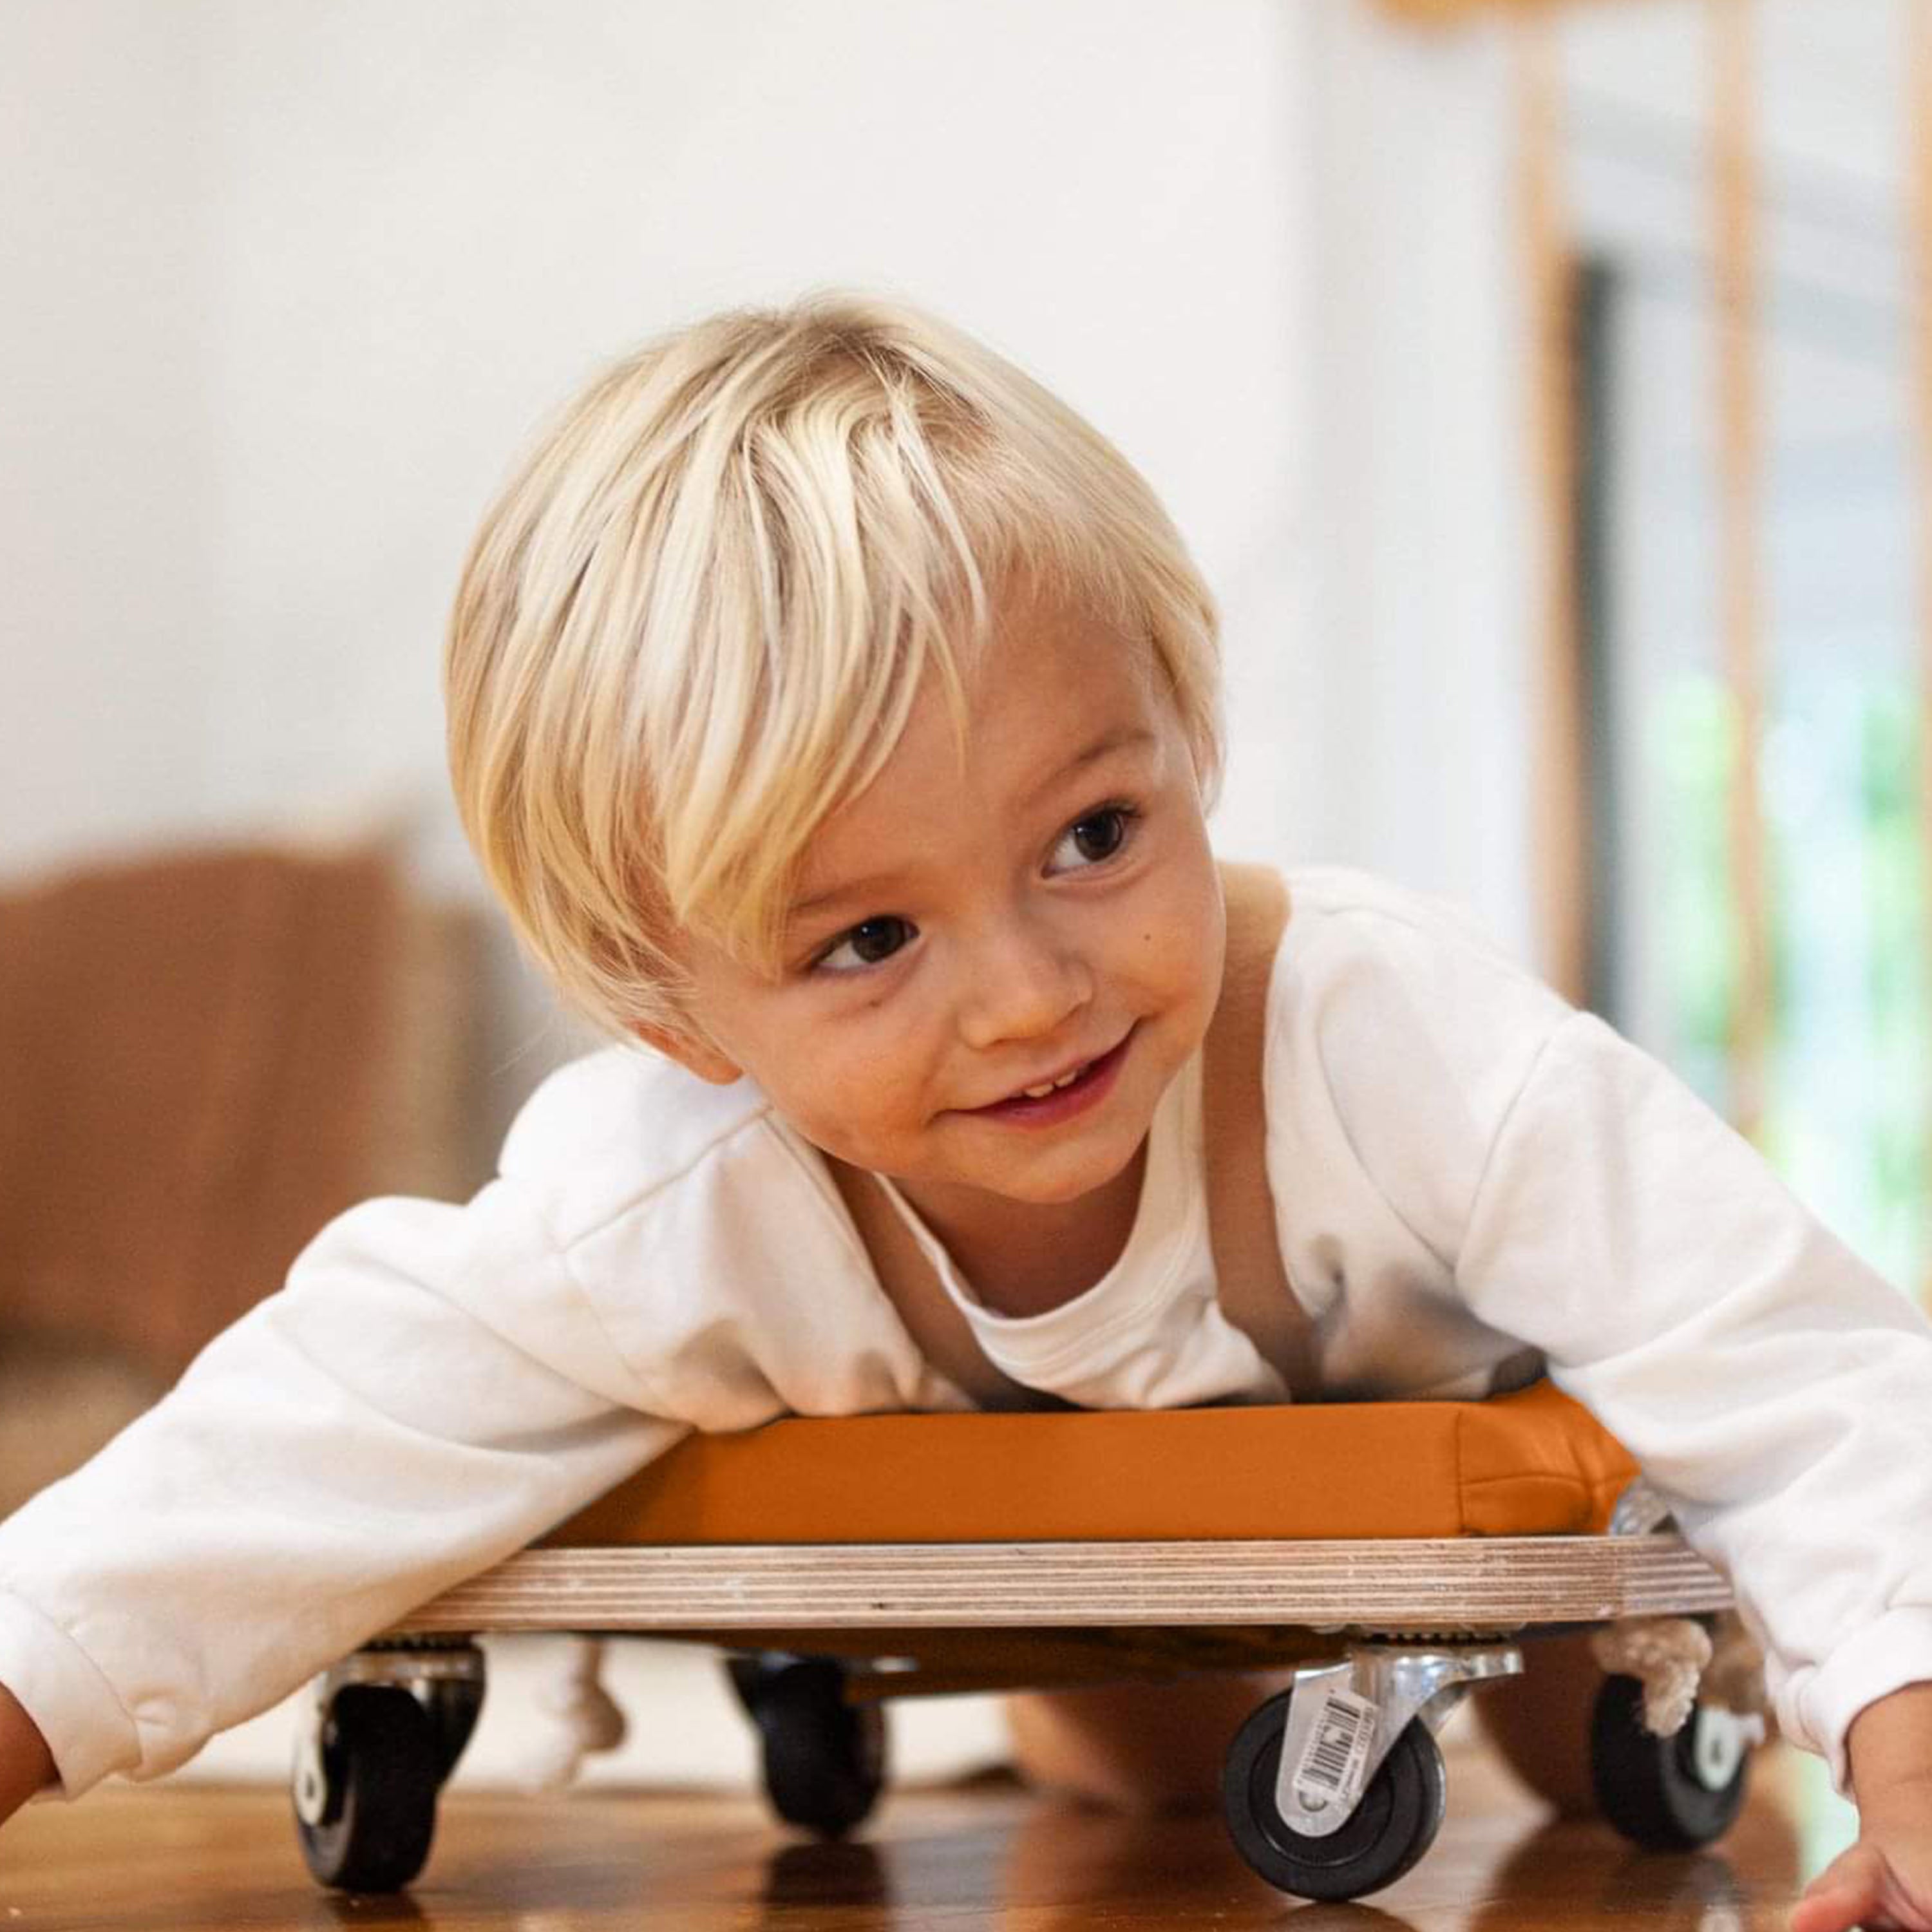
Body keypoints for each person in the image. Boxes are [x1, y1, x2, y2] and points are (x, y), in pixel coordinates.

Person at [0, 294, 1927, 1932]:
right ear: (677, 1015)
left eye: (1095, 835)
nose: (1026, 996)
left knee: (1600, 1769)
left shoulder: (1378, 1028)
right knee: (1149, 1777)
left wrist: (1907, 1727)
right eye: (865, 940)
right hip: (1116, 1552)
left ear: (1194, 738)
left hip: (1466, 1425)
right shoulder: (667, 1192)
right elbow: (304, 1446)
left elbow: (1782, 1353)